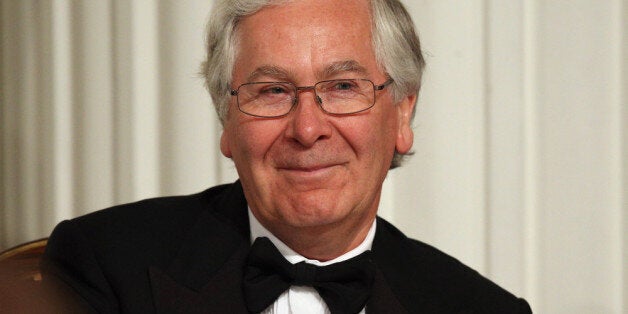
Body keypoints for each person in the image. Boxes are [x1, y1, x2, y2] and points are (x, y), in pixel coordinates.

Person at [42, 0, 532, 313]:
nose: (307, 129)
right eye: (272, 91)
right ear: (226, 123)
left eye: (343, 87)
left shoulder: (481, 308)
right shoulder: (104, 265)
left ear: (402, 115)